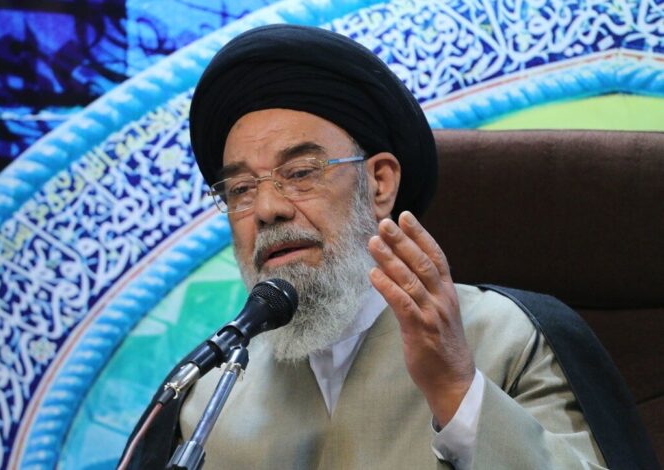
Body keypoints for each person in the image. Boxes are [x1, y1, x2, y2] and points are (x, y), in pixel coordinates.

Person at [127, 24, 608, 469]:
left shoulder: (508, 338)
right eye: (241, 190)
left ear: (379, 183)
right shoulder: (207, 398)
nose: (267, 208)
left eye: (300, 173)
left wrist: (457, 390)